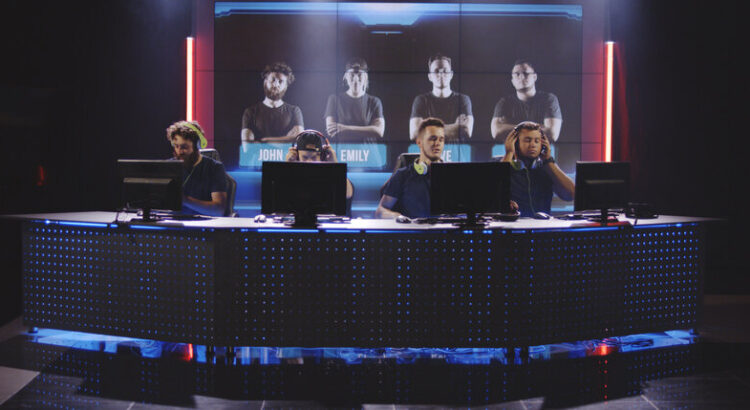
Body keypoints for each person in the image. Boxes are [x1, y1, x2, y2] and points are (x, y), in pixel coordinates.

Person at [376, 118, 445, 219]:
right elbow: (380, 211)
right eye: (432, 138)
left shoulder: (451, 176)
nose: (437, 143)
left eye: (441, 139)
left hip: (444, 229)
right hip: (413, 228)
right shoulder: (402, 175)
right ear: (419, 142)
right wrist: (398, 217)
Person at [501, 121, 574, 217]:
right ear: (515, 143)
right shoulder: (503, 164)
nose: (533, 145)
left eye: (537, 141)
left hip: (543, 225)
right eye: (527, 140)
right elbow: (491, 195)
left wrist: (548, 160)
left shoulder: (547, 168)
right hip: (511, 224)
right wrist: (509, 153)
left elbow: (570, 195)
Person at [285, 130, 355, 216]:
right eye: (305, 157)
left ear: (322, 156)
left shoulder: (332, 176)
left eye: (314, 157)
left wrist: (335, 165)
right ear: (297, 156)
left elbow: (347, 195)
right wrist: (287, 167)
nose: (309, 162)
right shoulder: (291, 178)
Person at [491, 59, 562, 143]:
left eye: (526, 73)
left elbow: (552, 134)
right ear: (512, 81)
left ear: (534, 77)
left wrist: (511, 128)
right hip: (513, 150)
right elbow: (496, 132)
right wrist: (538, 127)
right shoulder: (504, 103)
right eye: (517, 74)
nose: (521, 77)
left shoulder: (548, 99)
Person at [167, 120, 227, 216]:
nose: (179, 151)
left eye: (184, 147)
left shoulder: (214, 168)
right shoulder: (168, 166)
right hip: (171, 221)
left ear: (197, 146)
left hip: (203, 223)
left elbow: (218, 210)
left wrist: (185, 200)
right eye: (176, 146)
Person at [241, 62, 305, 152]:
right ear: (265, 82)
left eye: (280, 81)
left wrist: (264, 141)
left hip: (286, 161)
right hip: (258, 161)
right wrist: (286, 140)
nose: (276, 84)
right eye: (273, 80)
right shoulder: (251, 112)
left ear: (286, 86)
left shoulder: (294, 111)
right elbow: (247, 148)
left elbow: (299, 141)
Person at [409, 54, 473, 142]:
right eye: (436, 71)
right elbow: (414, 133)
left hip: (455, 151)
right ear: (430, 76)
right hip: (430, 151)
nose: (441, 74)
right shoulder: (421, 100)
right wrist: (454, 127)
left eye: (445, 71)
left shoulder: (463, 100)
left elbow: (466, 131)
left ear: (451, 75)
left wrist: (427, 128)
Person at [324, 58, 385, 142]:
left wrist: (344, 128)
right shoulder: (334, 99)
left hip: (368, 150)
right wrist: (368, 130)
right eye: (352, 75)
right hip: (344, 150)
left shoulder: (374, 101)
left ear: (365, 77)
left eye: (360, 75)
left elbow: (379, 131)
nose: (356, 79)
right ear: (346, 76)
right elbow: (331, 131)